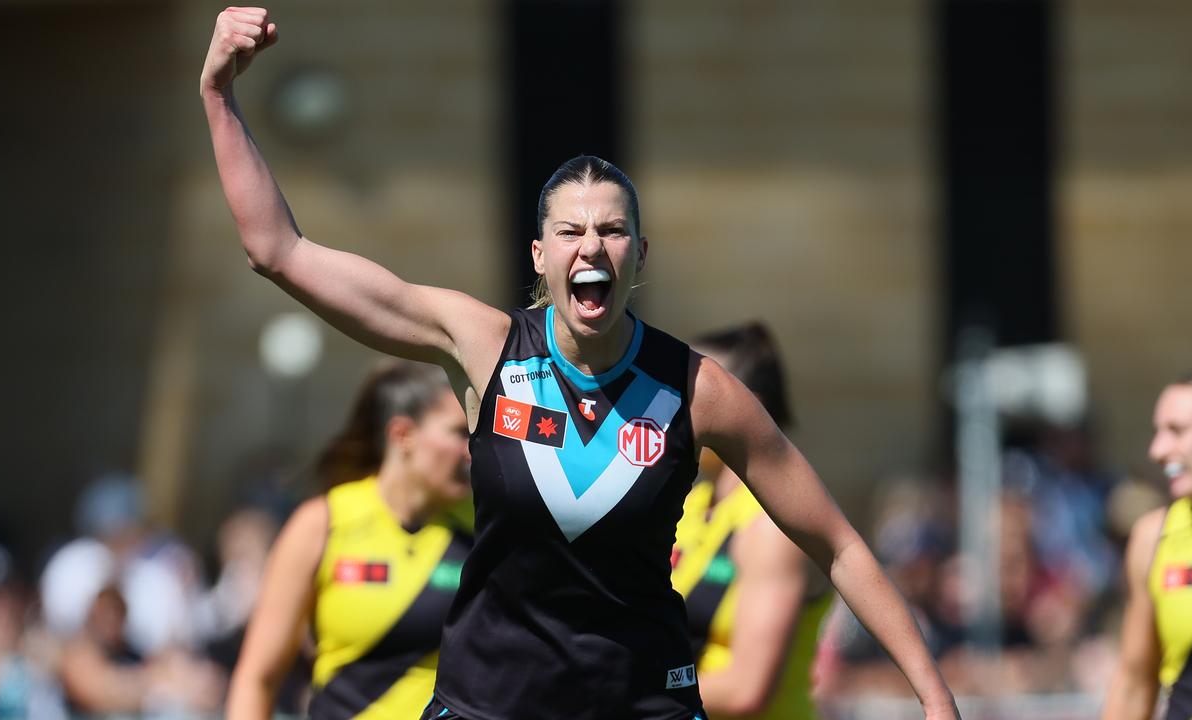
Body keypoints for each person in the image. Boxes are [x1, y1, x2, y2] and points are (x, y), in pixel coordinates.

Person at [199, 9, 959, 718]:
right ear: (540, 254)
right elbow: (279, 251)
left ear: (640, 254)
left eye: (612, 230)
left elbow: (839, 544)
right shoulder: (485, 347)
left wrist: (934, 695)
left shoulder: (698, 391)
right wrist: (218, 94)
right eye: (570, 230)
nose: (591, 246)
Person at [226, 360, 473, 720]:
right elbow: (257, 679)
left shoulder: (483, 529)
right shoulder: (321, 523)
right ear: (403, 435)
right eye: (460, 433)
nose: (473, 450)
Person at [671, 322, 831, 719]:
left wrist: (620, 685)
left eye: (688, 393)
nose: (669, 407)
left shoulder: (775, 524)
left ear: (747, 406)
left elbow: (746, 689)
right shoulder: (691, 504)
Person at [1102, 364, 1192, 720]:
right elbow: (1134, 683)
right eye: (1157, 432)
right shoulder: (1153, 537)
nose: (1157, 450)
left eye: (1176, 431)